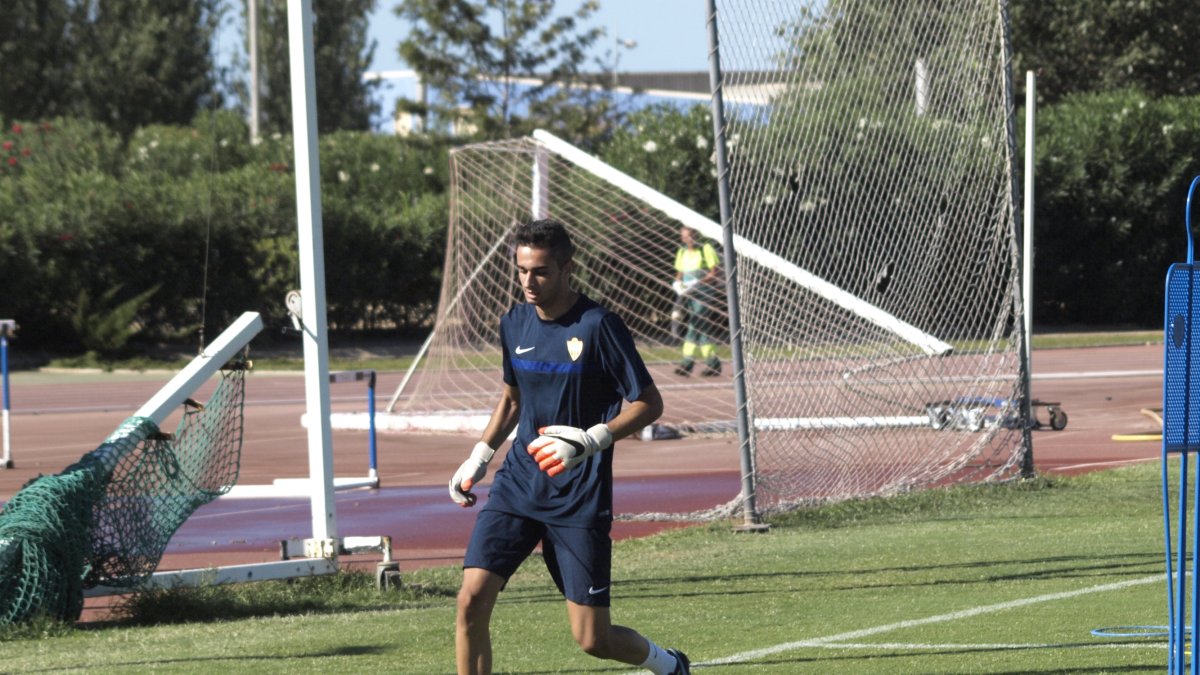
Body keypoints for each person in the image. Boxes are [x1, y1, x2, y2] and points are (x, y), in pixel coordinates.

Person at [448, 219, 691, 675]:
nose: (529, 281)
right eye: (522, 270)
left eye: (540, 271)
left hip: (579, 496)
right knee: (471, 601)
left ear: (566, 268)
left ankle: (668, 664)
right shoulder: (513, 323)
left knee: (593, 639)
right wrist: (479, 457)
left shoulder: (599, 326)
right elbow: (512, 399)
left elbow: (649, 403)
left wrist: (590, 440)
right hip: (518, 486)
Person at [671, 226, 722, 377]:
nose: (688, 239)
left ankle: (687, 364)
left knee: (695, 324)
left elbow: (714, 272)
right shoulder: (682, 251)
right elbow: (680, 273)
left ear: (696, 235)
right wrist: (677, 283)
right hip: (689, 294)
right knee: (702, 328)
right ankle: (713, 364)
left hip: (704, 293)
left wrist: (697, 282)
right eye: (684, 236)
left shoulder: (705, 249)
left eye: (690, 235)